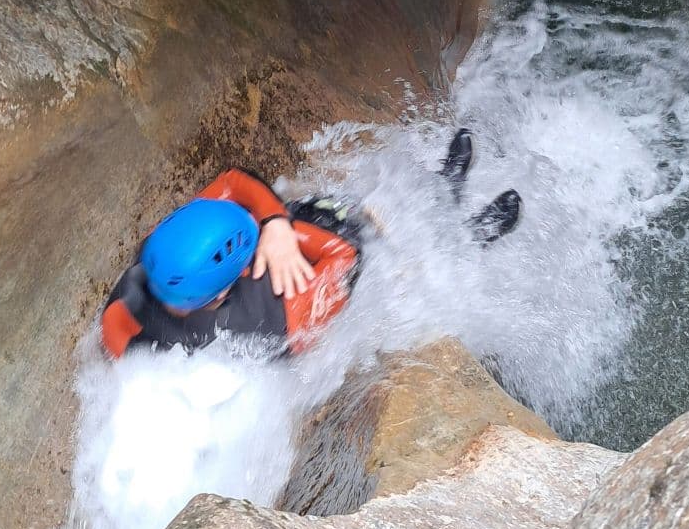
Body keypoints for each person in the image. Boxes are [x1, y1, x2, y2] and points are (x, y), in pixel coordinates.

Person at [99, 129, 521, 361]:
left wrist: (275, 224)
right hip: (335, 269)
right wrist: (286, 234)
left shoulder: (152, 268)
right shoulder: (277, 310)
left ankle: (446, 186)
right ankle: (476, 230)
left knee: (322, 208)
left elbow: (231, 183)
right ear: (227, 286)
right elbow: (347, 256)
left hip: (299, 236)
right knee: (395, 249)